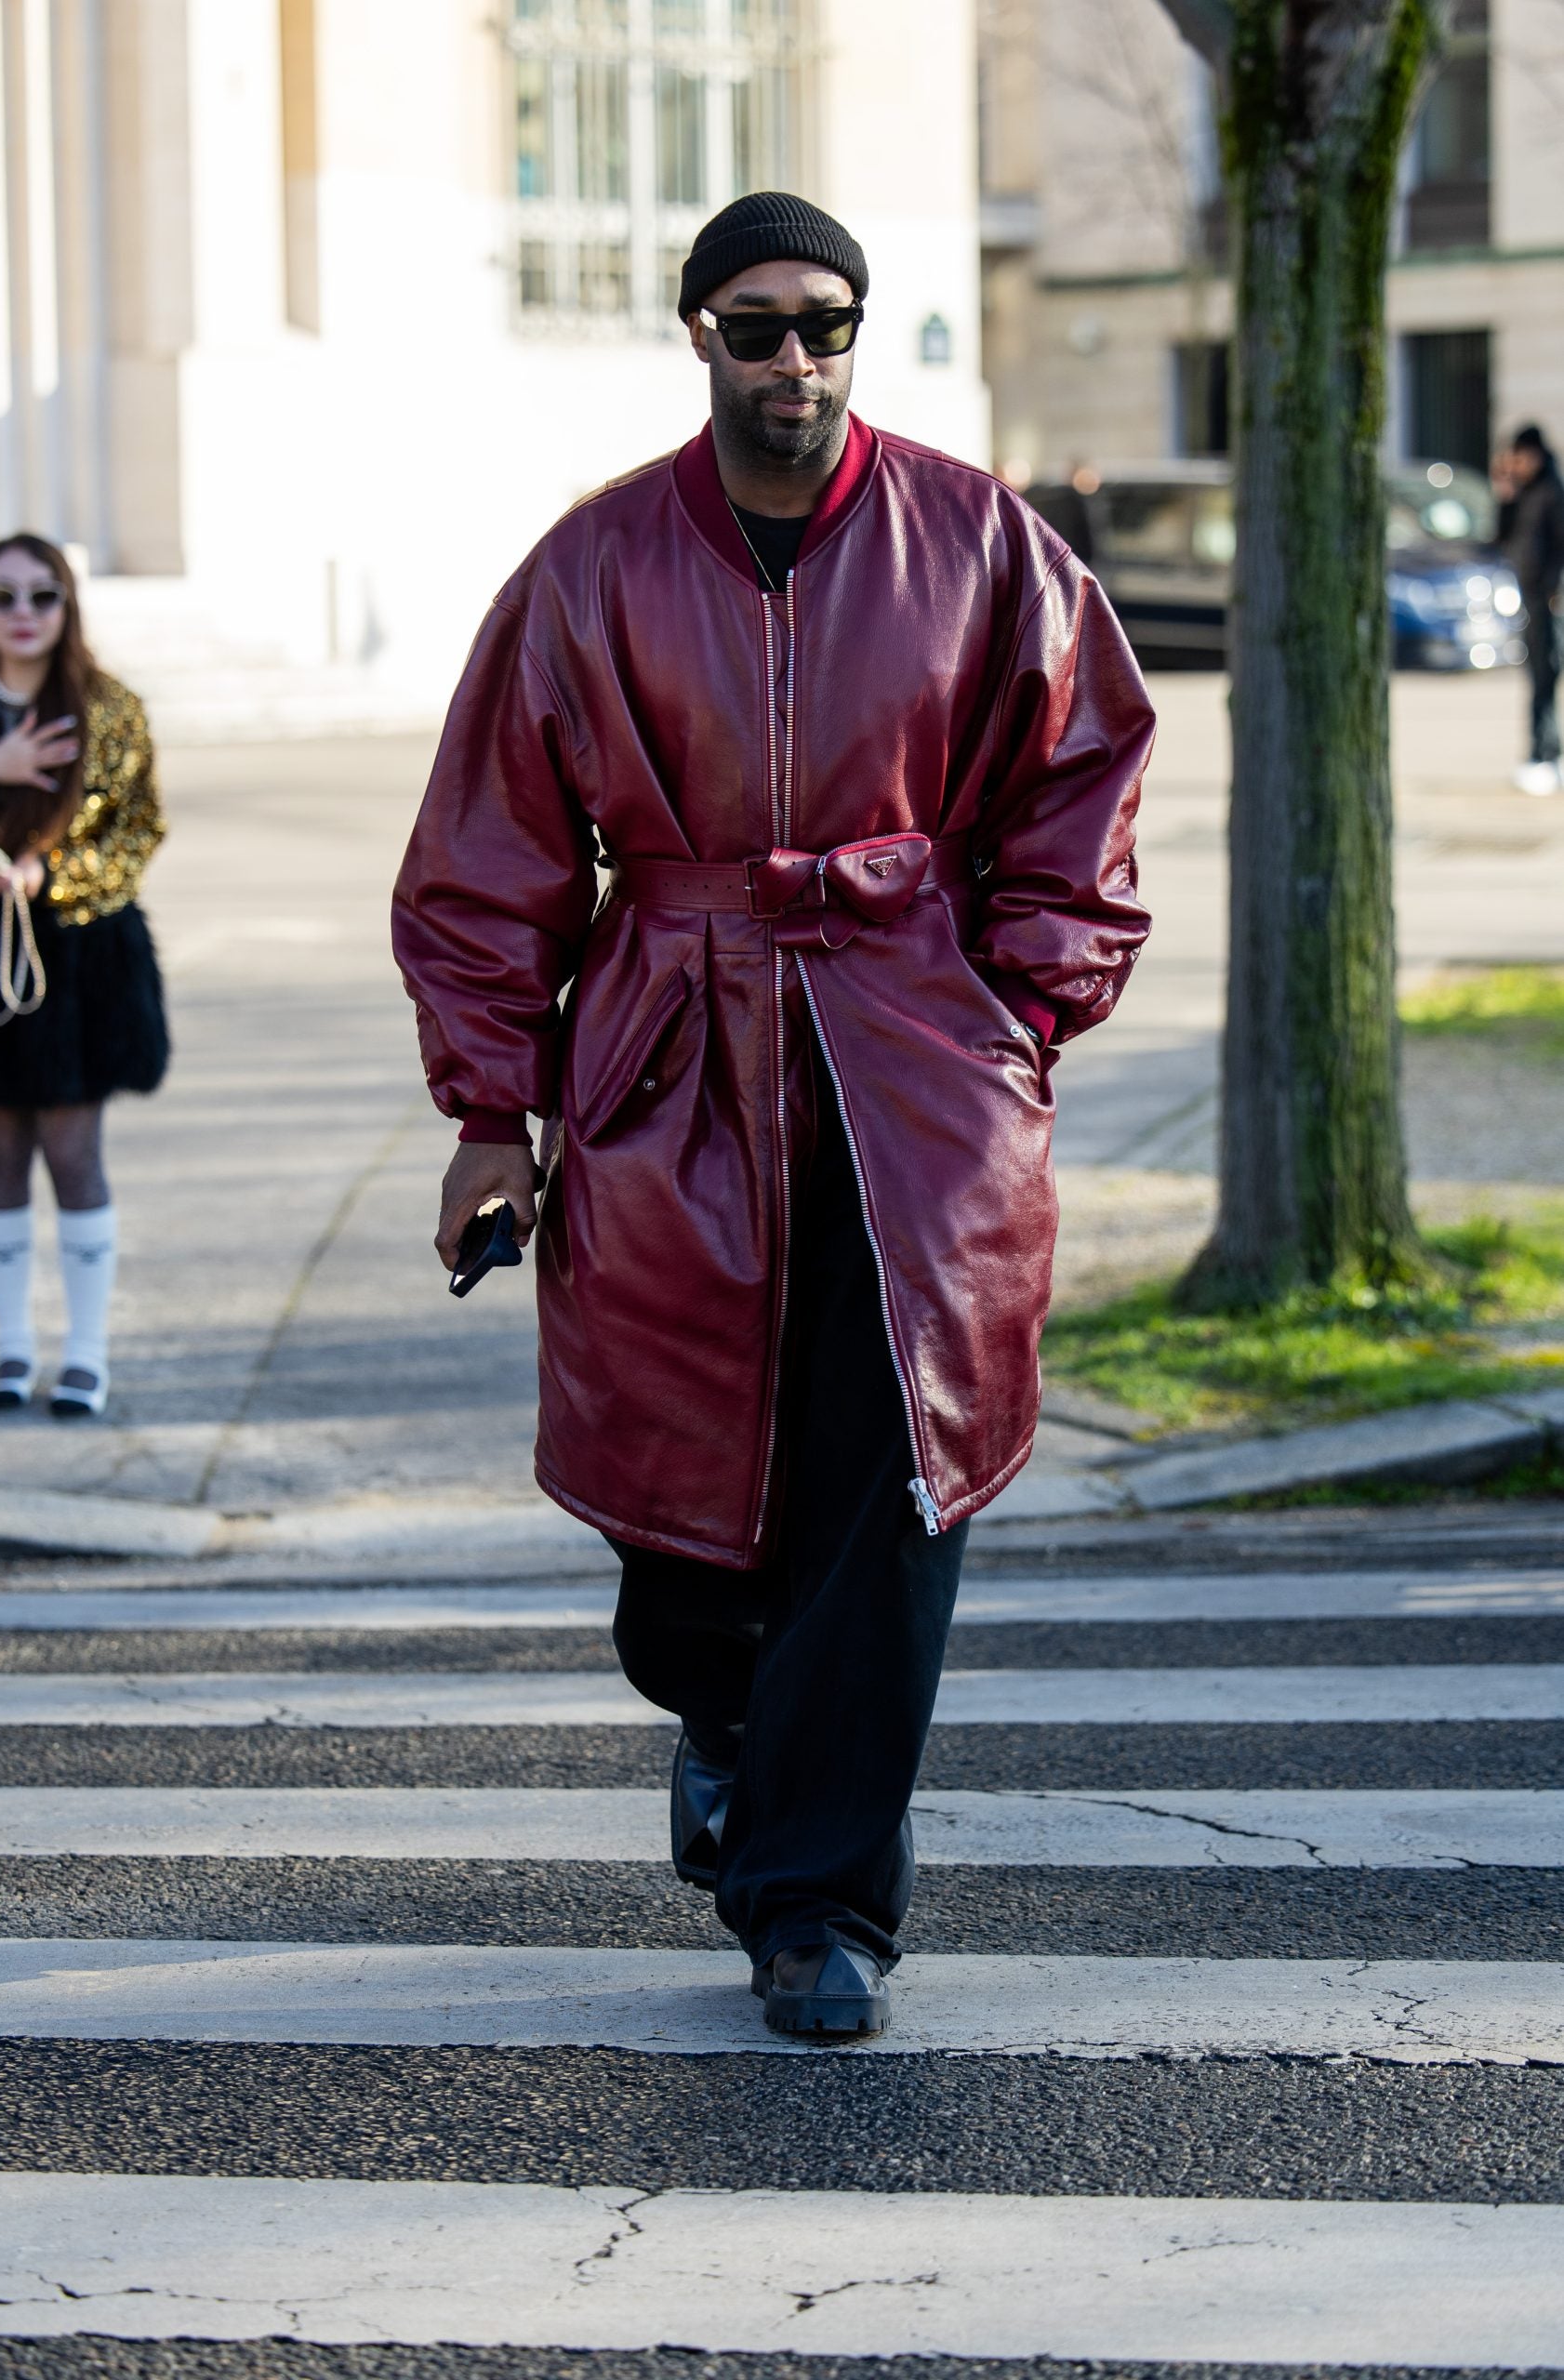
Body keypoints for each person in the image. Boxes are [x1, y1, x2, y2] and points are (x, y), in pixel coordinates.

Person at [393, 192, 1153, 2039]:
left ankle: (818, 1904)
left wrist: (1020, 1013)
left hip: (919, 1077)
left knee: (885, 1477)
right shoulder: (585, 572)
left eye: (826, 322)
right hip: (669, 1060)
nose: (794, 359)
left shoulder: (986, 545)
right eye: (756, 325)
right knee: (681, 1529)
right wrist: (495, 1107)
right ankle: (720, 1716)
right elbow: (490, 861)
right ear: (699, 336)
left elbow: (1084, 779)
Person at [0, 534, 167, 1418]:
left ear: (68, 605)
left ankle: (86, 1353)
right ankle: (11, 1351)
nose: (23, 614)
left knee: (71, 1150)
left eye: (41, 596)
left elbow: (138, 836)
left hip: (78, 953)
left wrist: (48, 876)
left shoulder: (111, 707)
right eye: (4, 595)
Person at [1493, 424, 1564, 796]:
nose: (1515, 464)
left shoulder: (1553, 491)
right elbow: (1502, 536)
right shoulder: (1525, 492)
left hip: (1549, 600)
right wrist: (1505, 495)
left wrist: (1554, 590)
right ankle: (1544, 752)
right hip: (1529, 595)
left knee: (1546, 674)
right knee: (1537, 675)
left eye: (1518, 458)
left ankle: (1545, 755)